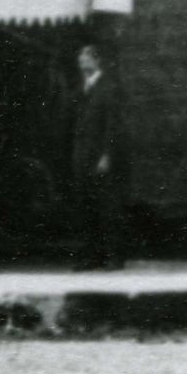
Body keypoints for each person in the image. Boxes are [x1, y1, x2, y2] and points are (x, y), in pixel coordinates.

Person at [71, 42, 124, 271]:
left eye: (87, 60)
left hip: (100, 157)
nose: (83, 64)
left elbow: (113, 125)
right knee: (86, 206)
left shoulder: (108, 88)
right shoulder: (82, 88)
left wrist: (107, 155)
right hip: (82, 156)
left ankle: (114, 257)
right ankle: (92, 257)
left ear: (97, 60)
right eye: (80, 61)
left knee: (107, 207)